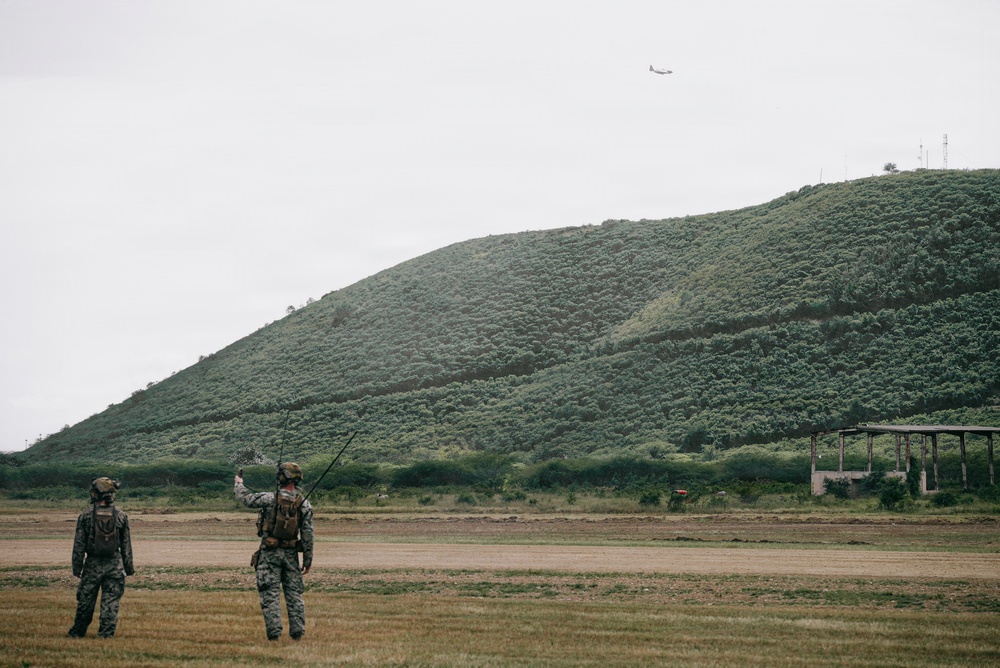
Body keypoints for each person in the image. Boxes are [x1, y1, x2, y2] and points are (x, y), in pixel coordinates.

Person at [235, 462, 314, 641]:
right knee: (294, 594)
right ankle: (297, 633)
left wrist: (239, 483)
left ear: (281, 477)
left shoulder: (270, 498)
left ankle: (274, 634)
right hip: (291, 555)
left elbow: (246, 499)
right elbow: (308, 534)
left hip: (269, 554)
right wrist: (307, 560)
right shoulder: (304, 504)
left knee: (269, 594)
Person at [68, 477, 134, 638]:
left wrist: (77, 567)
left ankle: (77, 633)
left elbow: (79, 545)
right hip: (115, 565)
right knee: (111, 603)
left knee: (85, 602)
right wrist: (128, 567)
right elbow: (126, 545)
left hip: (92, 564)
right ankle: (106, 634)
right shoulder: (121, 516)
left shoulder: (85, 516)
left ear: (95, 494)